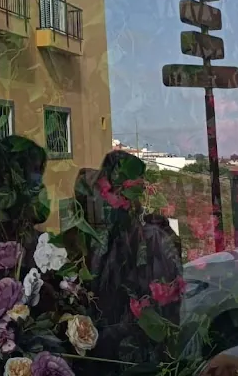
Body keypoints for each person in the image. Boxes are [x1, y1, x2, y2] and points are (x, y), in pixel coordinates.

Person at [86, 149, 184, 373]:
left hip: (138, 356)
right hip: (109, 354)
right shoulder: (103, 238)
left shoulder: (153, 238)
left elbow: (166, 308)